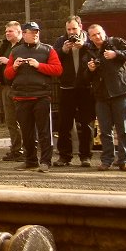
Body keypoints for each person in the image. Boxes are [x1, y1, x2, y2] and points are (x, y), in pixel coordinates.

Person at [4, 21, 62, 173]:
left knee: (44, 132)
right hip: (21, 97)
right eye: (31, 31)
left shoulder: (47, 50)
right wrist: (14, 67)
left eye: (37, 31)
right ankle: (30, 160)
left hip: (41, 96)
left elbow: (58, 70)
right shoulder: (16, 51)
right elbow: (7, 75)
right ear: (23, 34)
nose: (35, 34)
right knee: (27, 132)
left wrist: (39, 66)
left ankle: (45, 162)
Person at [80, 24, 126, 172]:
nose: (97, 37)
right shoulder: (88, 52)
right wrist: (90, 69)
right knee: (105, 130)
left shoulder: (116, 42)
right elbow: (85, 77)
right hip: (101, 95)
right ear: (89, 37)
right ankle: (106, 160)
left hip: (120, 91)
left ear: (104, 32)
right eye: (93, 35)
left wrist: (116, 54)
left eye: (99, 33)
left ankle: (124, 160)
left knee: (122, 129)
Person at [52, 16, 95, 167]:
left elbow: (98, 54)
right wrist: (63, 50)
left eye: (74, 29)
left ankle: (86, 156)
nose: (71, 33)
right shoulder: (60, 41)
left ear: (81, 27)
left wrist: (83, 46)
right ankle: (64, 156)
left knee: (86, 123)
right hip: (67, 87)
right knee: (64, 123)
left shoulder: (89, 39)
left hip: (86, 87)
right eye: (69, 29)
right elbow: (53, 59)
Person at [0, 21, 25, 161]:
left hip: (19, 87)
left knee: (22, 120)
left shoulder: (24, 47)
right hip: (6, 86)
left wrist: (7, 62)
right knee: (10, 120)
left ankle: (24, 150)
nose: (7, 33)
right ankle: (16, 149)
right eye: (6, 31)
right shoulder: (5, 45)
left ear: (19, 32)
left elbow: (24, 64)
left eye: (10, 31)